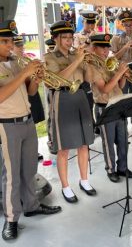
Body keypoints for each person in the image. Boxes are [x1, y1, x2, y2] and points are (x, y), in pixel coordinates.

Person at [0, 20, 61, 241]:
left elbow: (31, 92)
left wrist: (36, 79)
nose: (10, 45)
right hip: (7, 124)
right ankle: (11, 219)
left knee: (29, 169)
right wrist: (25, 71)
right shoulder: (15, 66)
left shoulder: (15, 63)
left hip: (27, 122)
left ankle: (32, 206)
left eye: (11, 40)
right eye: (4, 41)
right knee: (11, 175)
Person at [45, 20, 96, 203]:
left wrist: (88, 62)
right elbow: (57, 80)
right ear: (55, 38)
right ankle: (66, 187)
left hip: (81, 96)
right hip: (63, 98)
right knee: (64, 148)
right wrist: (78, 61)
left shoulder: (77, 54)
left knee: (84, 143)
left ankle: (84, 180)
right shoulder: (49, 57)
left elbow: (88, 79)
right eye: (64, 37)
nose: (68, 41)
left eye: (70, 37)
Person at [89, 34, 132, 182]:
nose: (105, 50)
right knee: (108, 141)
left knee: (123, 139)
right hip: (105, 106)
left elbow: (120, 86)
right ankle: (111, 169)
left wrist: (124, 76)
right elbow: (104, 89)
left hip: (119, 103)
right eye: (102, 47)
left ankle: (123, 167)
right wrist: (119, 73)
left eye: (107, 47)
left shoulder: (111, 62)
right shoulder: (92, 66)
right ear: (94, 48)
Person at [111, 11, 132, 133]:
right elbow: (114, 59)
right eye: (126, 25)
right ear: (122, 25)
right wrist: (125, 47)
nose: (129, 28)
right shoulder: (116, 39)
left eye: (131, 25)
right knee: (123, 97)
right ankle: (122, 123)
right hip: (122, 72)